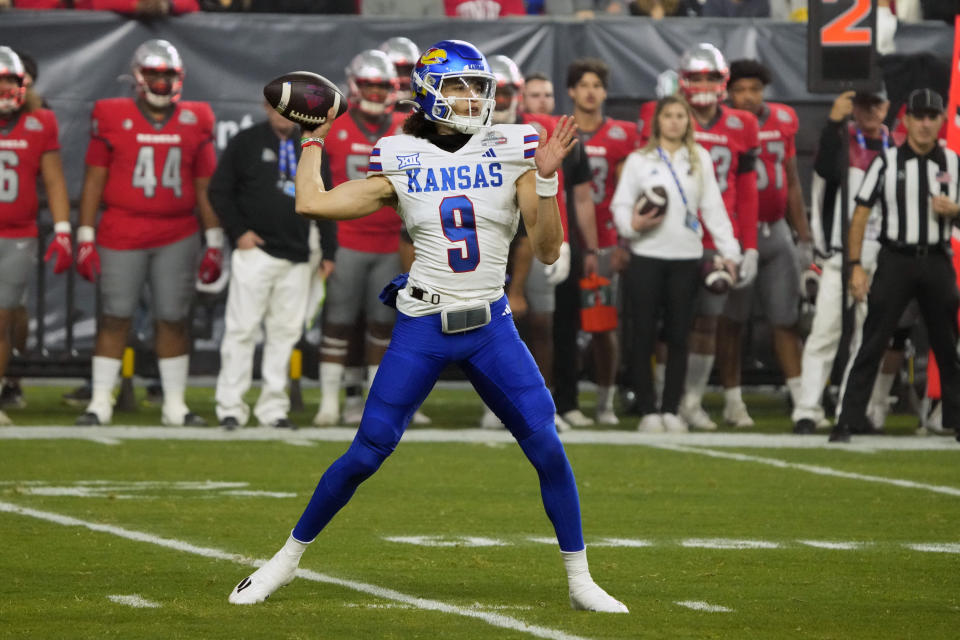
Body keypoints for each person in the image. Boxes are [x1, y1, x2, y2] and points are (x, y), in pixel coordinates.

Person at [229, 39, 627, 613]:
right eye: (460, 86)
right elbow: (312, 204)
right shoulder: (399, 156)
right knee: (366, 453)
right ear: (429, 93)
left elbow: (546, 252)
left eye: (478, 87)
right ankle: (283, 562)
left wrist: (544, 182)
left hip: (490, 323)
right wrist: (312, 135)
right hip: (424, 320)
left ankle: (580, 579)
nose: (474, 98)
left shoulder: (514, 148)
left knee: (547, 447)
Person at [74, 39, 222, 427]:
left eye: (167, 74)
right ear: (138, 76)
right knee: (113, 316)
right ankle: (99, 403)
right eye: (154, 74)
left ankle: (174, 404)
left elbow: (205, 184)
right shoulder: (111, 114)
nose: (161, 82)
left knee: (173, 318)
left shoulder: (197, 117)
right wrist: (85, 235)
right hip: (121, 228)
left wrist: (215, 240)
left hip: (177, 231)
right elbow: (93, 180)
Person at [640, 43, 759, 430]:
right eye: (696, 77)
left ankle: (689, 400)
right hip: (665, 235)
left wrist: (747, 243)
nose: (704, 84)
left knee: (708, 322)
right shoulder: (663, 116)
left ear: (722, 81)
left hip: (713, 235)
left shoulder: (743, 124)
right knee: (667, 322)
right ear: (682, 81)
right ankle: (662, 399)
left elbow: (746, 189)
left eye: (711, 77)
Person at [831, 89, 960, 442]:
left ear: (941, 121)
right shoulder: (886, 162)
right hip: (895, 259)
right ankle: (848, 419)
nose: (923, 124)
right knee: (873, 339)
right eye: (917, 116)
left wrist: (956, 211)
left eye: (931, 116)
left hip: (936, 258)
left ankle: (956, 418)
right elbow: (860, 215)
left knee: (947, 343)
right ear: (905, 120)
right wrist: (855, 264)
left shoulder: (953, 162)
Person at [313, 49, 430, 427]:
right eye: (370, 85)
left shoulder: (405, 125)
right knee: (339, 322)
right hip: (346, 237)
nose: (377, 93)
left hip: (388, 240)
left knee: (383, 325)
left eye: (384, 86)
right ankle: (330, 402)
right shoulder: (336, 125)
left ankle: (375, 405)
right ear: (354, 85)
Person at [612, 95, 741, 432]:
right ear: (657, 121)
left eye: (680, 116)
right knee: (642, 334)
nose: (673, 121)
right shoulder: (640, 160)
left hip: (686, 257)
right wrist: (631, 227)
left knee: (680, 336)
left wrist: (730, 252)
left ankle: (672, 408)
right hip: (646, 257)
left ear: (688, 121)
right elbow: (620, 205)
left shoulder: (699, 159)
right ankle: (647, 411)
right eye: (667, 115)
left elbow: (713, 208)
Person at [209, 100, 334, 429]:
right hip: (256, 252)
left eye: (290, 109)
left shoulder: (310, 146)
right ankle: (230, 408)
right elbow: (219, 190)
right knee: (241, 330)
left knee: (284, 334)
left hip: (297, 255)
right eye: (278, 107)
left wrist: (329, 252)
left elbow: (327, 198)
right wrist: (239, 233)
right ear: (266, 107)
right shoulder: (246, 141)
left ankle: (273, 409)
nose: (283, 114)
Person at [792, 88, 905, 434]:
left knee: (868, 338)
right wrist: (833, 122)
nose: (869, 112)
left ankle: (852, 410)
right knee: (825, 331)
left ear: (887, 107)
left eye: (876, 105)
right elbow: (825, 170)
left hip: (881, 256)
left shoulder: (896, 148)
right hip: (841, 254)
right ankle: (807, 411)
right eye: (862, 105)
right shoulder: (840, 143)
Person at [717, 59, 811, 427]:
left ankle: (804, 399)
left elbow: (791, 179)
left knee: (785, 319)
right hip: (737, 233)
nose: (747, 97)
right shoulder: (725, 124)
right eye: (739, 90)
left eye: (754, 89)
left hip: (775, 230)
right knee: (731, 321)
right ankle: (732, 401)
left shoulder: (783, 120)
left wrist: (803, 235)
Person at [522, 70, 599, 432]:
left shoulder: (566, 138)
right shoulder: (510, 136)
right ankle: (505, 403)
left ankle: (561, 401)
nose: (541, 101)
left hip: (557, 238)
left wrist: (586, 245)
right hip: (513, 241)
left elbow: (581, 197)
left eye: (546, 95)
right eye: (534, 94)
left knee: (560, 325)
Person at [0, 46, 72, 425]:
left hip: (17, 232)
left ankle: (4, 388)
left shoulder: (39, 121)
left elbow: (55, 179)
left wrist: (63, 231)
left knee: (4, 317)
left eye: (8, 82)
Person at [567, 58, 641, 426]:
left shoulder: (623, 134)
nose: (591, 91)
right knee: (561, 325)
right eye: (584, 85)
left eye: (597, 85)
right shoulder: (559, 130)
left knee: (603, 325)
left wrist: (625, 242)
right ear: (571, 91)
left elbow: (632, 190)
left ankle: (605, 401)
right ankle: (561, 398)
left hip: (607, 238)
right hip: (567, 239)